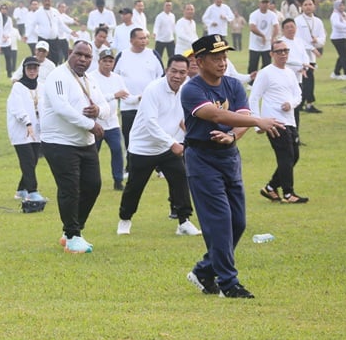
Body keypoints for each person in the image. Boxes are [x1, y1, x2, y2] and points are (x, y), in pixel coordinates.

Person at [182, 35, 284, 298]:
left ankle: (204, 271)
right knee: (219, 221)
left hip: (228, 157)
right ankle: (228, 284)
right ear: (199, 60)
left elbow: (243, 116)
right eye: (216, 58)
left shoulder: (232, 85)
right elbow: (216, 115)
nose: (222, 63)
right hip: (201, 159)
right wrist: (259, 122)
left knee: (237, 222)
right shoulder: (192, 89)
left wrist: (233, 136)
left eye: (225, 57)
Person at [116, 54, 200, 237]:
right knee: (135, 186)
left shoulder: (187, 89)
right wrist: (173, 144)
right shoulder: (153, 89)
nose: (177, 76)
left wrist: (189, 133)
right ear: (166, 71)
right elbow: (150, 123)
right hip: (143, 147)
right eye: (174, 71)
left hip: (167, 146)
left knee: (180, 180)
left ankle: (184, 222)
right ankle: (125, 219)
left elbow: (185, 117)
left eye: (182, 72)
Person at [41, 40, 109, 254]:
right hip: (59, 142)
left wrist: (99, 111)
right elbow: (62, 108)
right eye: (79, 54)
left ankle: (72, 230)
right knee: (70, 188)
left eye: (87, 57)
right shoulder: (58, 76)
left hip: (84, 142)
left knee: (93, 185)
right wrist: (91, 124)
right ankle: (72, 236)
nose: (82, 59)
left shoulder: (90, 80)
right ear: (70, 53)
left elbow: (106, 106)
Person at [249, 39, 306, 204]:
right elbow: (254, 98)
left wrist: (291, 104)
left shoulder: (289, 72)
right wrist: (257, 122)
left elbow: (298, 95)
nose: (283, 54)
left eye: (285, 51)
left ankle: (271, 187)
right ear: (271, 54)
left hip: (290, 121)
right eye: (279, 51)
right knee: (285, 156)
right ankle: (288, 194)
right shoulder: (266, 73)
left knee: (294, 156)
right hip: (273, 122)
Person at [114, 28, 164, 171]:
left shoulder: (153, 54)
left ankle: (159, 167)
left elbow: (161, 77)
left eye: (145, 38)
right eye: (140, 38)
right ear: (131, 40)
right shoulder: (123, 55)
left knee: (154, 134)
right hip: (128, 106)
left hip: (151, 105)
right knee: (130, 136)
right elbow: (114, 77)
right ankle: (131, 166)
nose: (144, 41)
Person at [90, 48, 129, 190]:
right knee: (93, 153)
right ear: (99, 62)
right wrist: (114, 95)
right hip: (96, 122)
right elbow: (94, 99)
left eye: (110, 61)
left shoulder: (117, 78)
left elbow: (125, 95)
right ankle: (92, 181)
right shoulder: (91, 77)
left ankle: (118, 180)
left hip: (112, 122)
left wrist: (139, 98)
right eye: (104, 61)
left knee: (117, 150)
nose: (107, 64)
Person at [7, 56, 44, 201]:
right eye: (29, 68)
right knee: (27, 160)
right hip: (21, 131)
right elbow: (17, 108)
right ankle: (32, 191)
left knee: (33, 160)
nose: (32, 71)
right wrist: (27, 123)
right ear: (24, 70)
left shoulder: (42, 86)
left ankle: (21, 190)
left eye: (35, 68)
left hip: (37, 131)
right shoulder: (18, 87)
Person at [294, 0, 325, 113]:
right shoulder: (298, 20)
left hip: (312, 57)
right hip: (300, 55)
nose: (308, 6)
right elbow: (298, 39)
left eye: (310, 4)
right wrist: (311, 48)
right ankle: (303, 103)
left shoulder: (318, 21)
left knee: (309, 80)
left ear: (314, 6)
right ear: (301, 7)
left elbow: (323, 39)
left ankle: (308, 103)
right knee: (303, 80)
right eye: (305, 4)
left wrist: (316, 41)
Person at [247, 0, 279, 75]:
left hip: (267, 45)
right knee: (253, 65)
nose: (265, 5)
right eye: (263, 3)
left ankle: (264, 80)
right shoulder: (254, 14)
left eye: (267, 3)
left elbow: (276, 27)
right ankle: (251, 83)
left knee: (267, 65)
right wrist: (262, 36)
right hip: (255, 45)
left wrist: (273, 37)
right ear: (259, 4)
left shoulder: (272, 15)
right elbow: (252, 27)